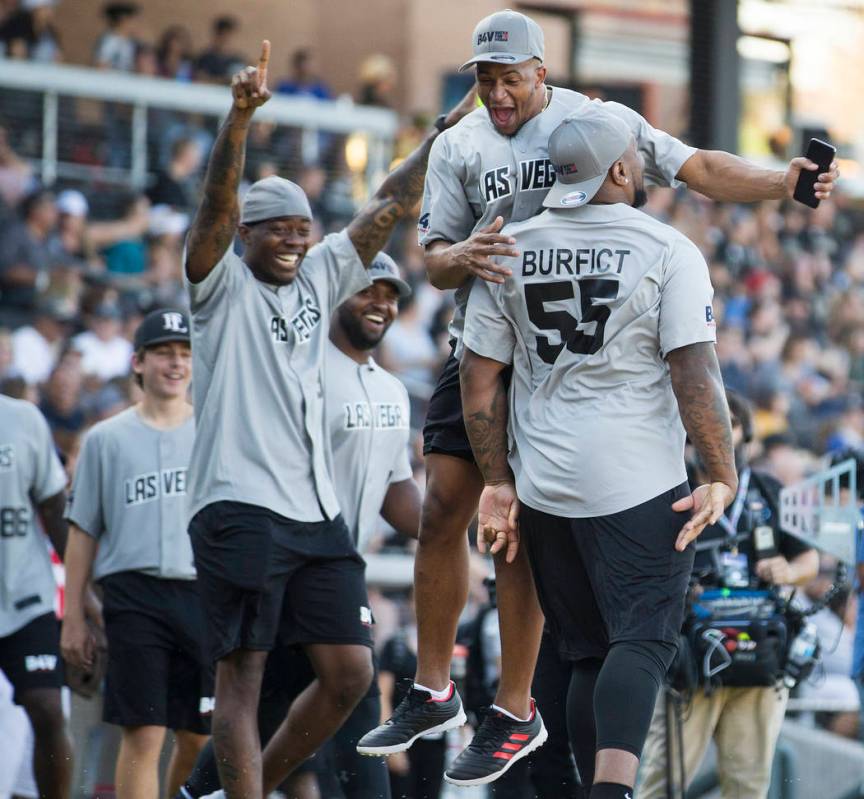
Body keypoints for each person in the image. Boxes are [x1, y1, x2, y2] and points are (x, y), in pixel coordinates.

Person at [357, 7, 839, 786]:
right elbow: (434, 260)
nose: (497, 93)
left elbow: (702, 168)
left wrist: (782, 179)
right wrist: (462, 255)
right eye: (483, 80)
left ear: (542, 71)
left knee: (522, 526)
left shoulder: (604, 121)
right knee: (449, 507)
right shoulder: (460, 144)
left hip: (549, 360)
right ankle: (434, 688)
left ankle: (515, 706)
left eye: (509, 78)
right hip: (495, 329)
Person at [183, 41, 474, 799]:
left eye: (301, 230)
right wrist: (239, 120)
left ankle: (229, 791)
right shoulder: (218, 290)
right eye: (275, 228)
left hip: (314, 515)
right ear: (245, 236)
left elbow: (389, 204)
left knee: (350, 671)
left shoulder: (319, 276)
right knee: (242, 679)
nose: (292, 239)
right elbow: (213, 208)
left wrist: (443, 133)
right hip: (239, 502)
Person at [458, 107, 738, 799]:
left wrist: (498, 479)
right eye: (637, 157)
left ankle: (592, 788)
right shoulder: (666, 248)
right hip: (637, 480)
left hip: (547, 481)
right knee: (641, 640)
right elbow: (693, 372)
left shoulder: (510, 244)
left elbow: (477, 380)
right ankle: (612, 789)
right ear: (617, 170)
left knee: (584, 651)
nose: (643, 165)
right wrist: (722, 471)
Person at [176, 252, 419, 799]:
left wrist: (457, 527)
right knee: (261, 708)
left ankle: (207, 794)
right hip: (277, 562)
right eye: (367, 290)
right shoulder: (297, 370)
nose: (380, 303)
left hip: (334, 576)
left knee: (350, 722)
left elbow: (395, 490)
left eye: (391, 294)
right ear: (331, 293)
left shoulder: (393, 390)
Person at [637, 390, 819, 798]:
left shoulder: (770, 489)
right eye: (699, 421)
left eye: (728, 422)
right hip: (689, 654)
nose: (713, 431)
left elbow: (810, 561)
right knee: (664, 780)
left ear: (745, 435)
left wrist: (787, 570)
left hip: (760, 654)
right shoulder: (668, 489)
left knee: (748, 782)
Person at [61, 309, 211, 799]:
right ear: (138, 362)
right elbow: (82, 532)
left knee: (200, 735)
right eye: (164, 352)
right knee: (143, 731)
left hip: (204, 594)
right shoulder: (106, 438)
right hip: (133, 593)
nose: (176, 363)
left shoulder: (213, 431)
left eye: (185, 354)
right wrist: (74, 620)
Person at [0, 393, 73, 799]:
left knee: (46, 706)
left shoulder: (22, 418)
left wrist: (84, 603)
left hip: (24, 595)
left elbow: (54, 508)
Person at [194, 15, 245, 84]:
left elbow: (238, 82)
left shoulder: (238, 60)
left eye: (228, 36)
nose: (225, 39)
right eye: (222, 35)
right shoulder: (205, 58)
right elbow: (200, 79)